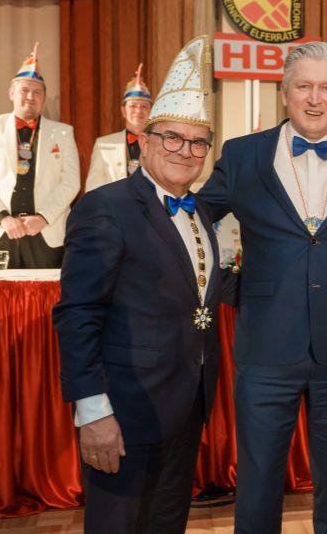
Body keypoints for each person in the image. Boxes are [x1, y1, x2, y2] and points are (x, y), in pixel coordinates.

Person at [199, 41, 327, 534]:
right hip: (265, 346)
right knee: (260, 478)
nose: (314, 99)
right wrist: (230, 287)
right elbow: (196, 220)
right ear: (284, 92)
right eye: (303, 86)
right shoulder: (243, 155)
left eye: (326, 88)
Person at [54, 36, 233, 534]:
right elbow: (78, 313)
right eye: (172, 138)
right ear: (146, 141)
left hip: (186, 407)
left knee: (165, 524)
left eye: (199, 142)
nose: (186, 151)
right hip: (124, 414)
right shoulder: (106, 206)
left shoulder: (202, 214)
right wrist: (92, 412)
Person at [0, 42, 80, 268]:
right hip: (1, 232)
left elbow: (71, 182)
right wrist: (3, 218)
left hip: (46, 232)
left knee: (46, 300)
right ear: (12, 93)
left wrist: (44, 217)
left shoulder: (63, 132)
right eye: (24, 90)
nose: (30, 96)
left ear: (44, 98)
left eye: (37, 91)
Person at [85, 64, 153, 191]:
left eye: (144, 106)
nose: (138, 111)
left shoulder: (159, 145)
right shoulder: (103, 144)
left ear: (151, 112)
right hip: (114, 209)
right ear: (123, 111)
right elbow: (93, 189)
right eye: (133, 106)